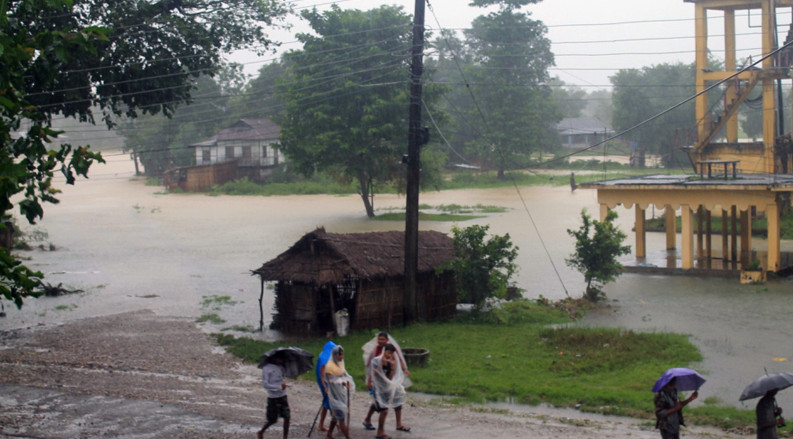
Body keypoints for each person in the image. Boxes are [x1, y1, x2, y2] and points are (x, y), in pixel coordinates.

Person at [362, 332, 411, 433]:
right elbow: (370, 366)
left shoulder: (392, 349)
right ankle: (368, 420)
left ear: (387, 340)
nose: (380, 341)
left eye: (382, 339)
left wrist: (404, 369)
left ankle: (399, 424)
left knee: (397, 398)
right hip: (379, 382)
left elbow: (399, 359)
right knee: (379, 403)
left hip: (391, 380)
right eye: (379, 339)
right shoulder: (375, 351)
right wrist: (370, 380)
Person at [368, 344, 407, 439]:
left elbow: (389, 378)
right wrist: (371, 380)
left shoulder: (391, 363)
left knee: (384, 409)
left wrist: (392, 368)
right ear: (384, 351)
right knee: (384, 410)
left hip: (386, 389)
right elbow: (372, 373)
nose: (389, 355)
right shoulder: (376, 361)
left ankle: (379, 430)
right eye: (388, 352)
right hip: (378, 388)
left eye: (391, 353)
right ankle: (379, 432)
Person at [323, 345, 355, 439]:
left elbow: (344, 373)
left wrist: (348, 380)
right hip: (334, 395)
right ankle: (348, 437)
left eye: (342, 355)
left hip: (341, 394)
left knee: (335, 416)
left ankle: (329, 435)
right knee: (341, 416)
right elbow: (331, 380)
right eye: (339, 355)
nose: (341, 357)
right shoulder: (329, 366)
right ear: (335, 355)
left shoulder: (340, 363)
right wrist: (343, 382)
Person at [257, 354, 290, 439]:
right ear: (274, 358)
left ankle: (285, 437)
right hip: (273, 397)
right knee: (272, 419)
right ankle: (261, 431)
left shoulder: (281, 367)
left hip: (282, 395)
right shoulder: (267, 368)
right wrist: (278, 387)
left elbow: (282, 376)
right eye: (280, 359)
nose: (281, 361)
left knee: (287, 416)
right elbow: (265, 384)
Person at [315, 341, 337, 432]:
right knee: (331, 404)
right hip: (325, 383)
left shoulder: (325, 356)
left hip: (328, 382)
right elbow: (321, 374)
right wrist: (325, 387)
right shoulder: (325, 359)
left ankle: (321, 424)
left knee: (326, 403)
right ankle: (338, 425)